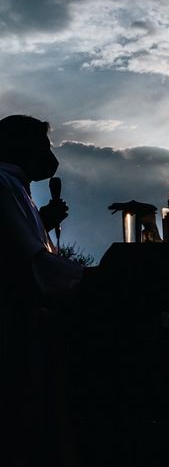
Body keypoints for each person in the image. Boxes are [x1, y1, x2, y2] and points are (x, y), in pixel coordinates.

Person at [0, 114, 88, 465]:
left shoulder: (18, 188)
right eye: (46, 145)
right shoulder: (4, 185)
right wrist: (88, 278)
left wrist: (45, 223)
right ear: (23, 146)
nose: (51, 155)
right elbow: (31, 262)